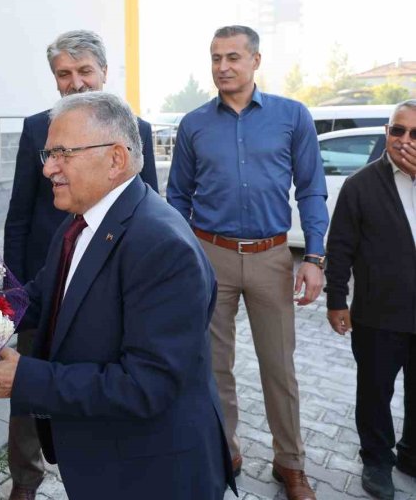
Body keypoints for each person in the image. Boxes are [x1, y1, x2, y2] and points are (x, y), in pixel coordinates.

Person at [0, 91, 235, 500]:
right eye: (47, 154)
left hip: (152, 473)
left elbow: (146, 384)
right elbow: (41, 294)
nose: (49, 168)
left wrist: (22, 378)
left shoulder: (161, 245)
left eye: (62, 153)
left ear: (116, 159)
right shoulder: (81, 221)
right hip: (105, 460)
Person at [167, 25, 328, 500]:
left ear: (256, 60)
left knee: (278, 366)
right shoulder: (194, 124)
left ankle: (290, 463)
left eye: (233, 57)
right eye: (216, 57)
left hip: (271, 256)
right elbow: (177, 196)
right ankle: (224, 448)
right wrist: (184, 254)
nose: (223, 67)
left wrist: (314, 257)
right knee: (214, 365)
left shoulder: (291, 116)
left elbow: (312, 189)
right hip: (209, 255)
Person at [1, 29, 159, 499]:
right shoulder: (37, 128)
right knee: (27, 388)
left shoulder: (137, 131)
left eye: (84, 71)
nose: (75, 83)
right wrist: (14, 294)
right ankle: (24, 481)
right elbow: (19, 214)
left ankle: (86, 468)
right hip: (44, 285)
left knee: (83, 382)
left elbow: (145, 206)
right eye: (64, 74)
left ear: (104, 74)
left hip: (102, 289)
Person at [324, 100, 416, 500]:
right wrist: (336, 299)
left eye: (415, 134)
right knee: (375, 391)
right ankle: (376, 459)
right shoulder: (360, 184)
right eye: (398, 131)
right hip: (379, 313)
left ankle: (411, 455)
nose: (405, 140)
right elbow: (340, 247)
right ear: (386, 131)